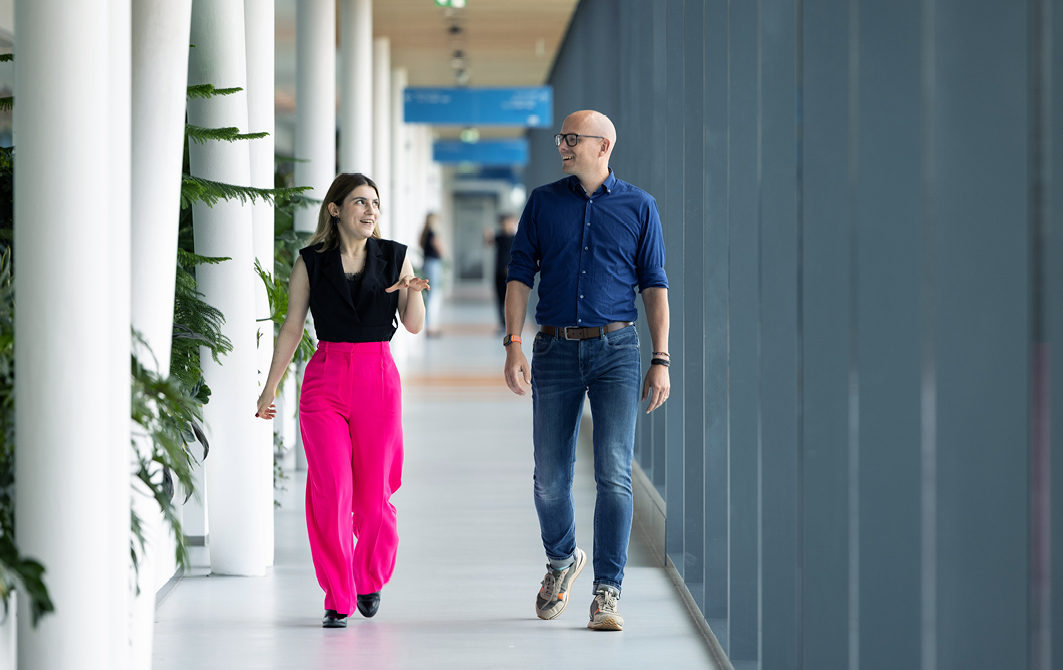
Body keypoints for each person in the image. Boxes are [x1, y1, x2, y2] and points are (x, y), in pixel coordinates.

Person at [503, 110, 671, 632]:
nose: (563, 146)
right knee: (549, 479)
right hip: (554, 350)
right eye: (561, 138)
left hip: (617, 351)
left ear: (603, 146)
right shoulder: (542, 203)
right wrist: (513, 343)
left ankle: (607, 591)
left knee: (613, 475)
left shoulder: (640, 207)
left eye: (572, 139)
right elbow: (517, 276)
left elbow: (655, 287)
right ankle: (561, 560)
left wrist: (661, 358)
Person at [255, 173, 429, 629]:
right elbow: (292, 328)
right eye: (360, 203)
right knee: (331, 491)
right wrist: (270, 386)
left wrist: (412, 294)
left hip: (377, 376)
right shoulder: (311, 262)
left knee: (373, 497)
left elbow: (412, 325)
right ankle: (338, 593)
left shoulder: (395, 257)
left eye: (375, 204)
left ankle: (368, 576)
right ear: (335, 209)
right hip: (325, 379)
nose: (370, 211)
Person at [485, 213, 519, 331]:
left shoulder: (517, 238)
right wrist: (487, 235)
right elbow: (488, 243)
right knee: (499, 299)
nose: (505, 225)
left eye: (507, 222)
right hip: (498, 271)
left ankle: (512, 324)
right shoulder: (499, 237)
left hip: (511, 273)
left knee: (511, 299)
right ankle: (502, 323)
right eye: (503, 223)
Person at [419, 212, 445, 337]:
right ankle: (430, 327)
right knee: (432, 296)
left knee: (429, 295)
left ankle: (429, 325)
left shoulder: (425, 233)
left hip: (426, 263)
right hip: (433, 264)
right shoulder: (433, 234)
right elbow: (440, 249)